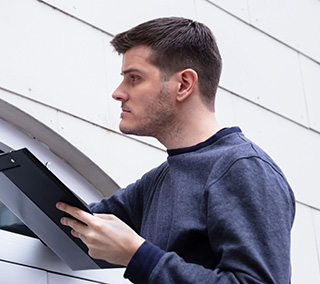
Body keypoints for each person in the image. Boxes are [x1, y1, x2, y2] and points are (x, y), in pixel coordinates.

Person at [56, 17, 295, 283]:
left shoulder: (243, 167)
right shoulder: (159, 180)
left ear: (183, 85)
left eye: (134, 78)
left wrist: (139, 256)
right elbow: (75, 220)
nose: (118, 93)